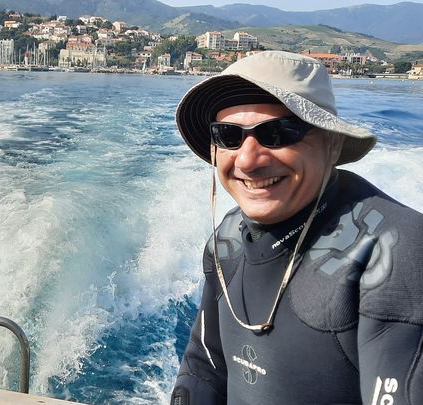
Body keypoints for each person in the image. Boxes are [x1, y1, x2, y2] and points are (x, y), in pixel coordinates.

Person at [170, 51, 423, 405]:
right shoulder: (227, 239)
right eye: (228, 135)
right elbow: (204, 367)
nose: (247, 160)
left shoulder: (394, 250)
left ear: (332, 144)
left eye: (277, 133)